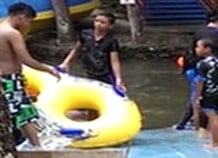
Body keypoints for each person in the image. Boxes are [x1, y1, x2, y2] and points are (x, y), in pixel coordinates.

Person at [0, 2, 61, 148]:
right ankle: (37, 146)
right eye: (28, 21)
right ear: (21, 17)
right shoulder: (12, 33)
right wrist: (48, 69)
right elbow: (26, 59)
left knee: (10, 112)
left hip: (3, 77)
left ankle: (18, 144)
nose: (28, 25)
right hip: (11, 78)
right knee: (24, 113)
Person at [58, 9, 125, 91]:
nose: (98, 24)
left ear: (110, 26)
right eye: (97, 21)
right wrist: (66, 62)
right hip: (90, 70)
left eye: (103, 22)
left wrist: (118, 78)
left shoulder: (111, 40)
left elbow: (114, 61)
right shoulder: (85, 34)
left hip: (105, 73)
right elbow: (76, 49)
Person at [192, 38, 218, 149]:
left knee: (212, 117)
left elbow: (200, 81)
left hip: (209, 93)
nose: (196, 49)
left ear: (207, 49)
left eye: (199, 47)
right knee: (217, 117)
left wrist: (197, 96)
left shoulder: (202, 64)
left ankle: (215, 143)